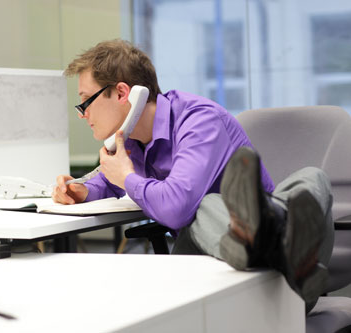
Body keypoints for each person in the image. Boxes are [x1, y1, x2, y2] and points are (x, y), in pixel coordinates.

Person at [53, 39, 333, 313]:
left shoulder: (198, 120)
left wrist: (127, 178)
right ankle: (279, 245)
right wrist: (82, 191)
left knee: (312, 177)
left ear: (122, 93)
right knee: (208, 205)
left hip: (281, 287)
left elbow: (175, 208)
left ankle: (275, 241)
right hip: (218, 277)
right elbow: (106, 180)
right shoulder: (132, 143)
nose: (83, 114)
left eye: (85, 101)